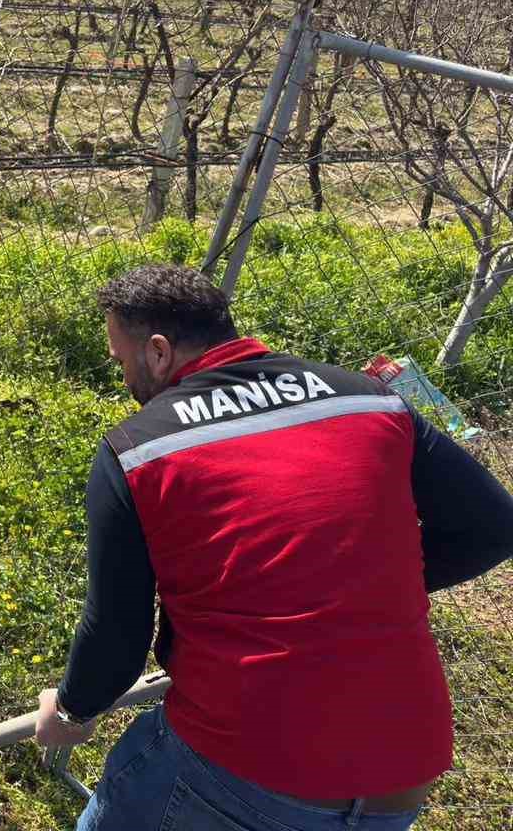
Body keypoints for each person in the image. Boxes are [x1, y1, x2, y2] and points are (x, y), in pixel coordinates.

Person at [34, 264, 513, 830]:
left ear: (158, 351)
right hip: (403, 768)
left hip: (241, 765)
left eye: (121, 361)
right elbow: (494, 527)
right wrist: (347, 580)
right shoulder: (370, 400)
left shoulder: (141, 450)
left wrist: (70, 711)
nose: (123, 380)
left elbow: (118, 630)